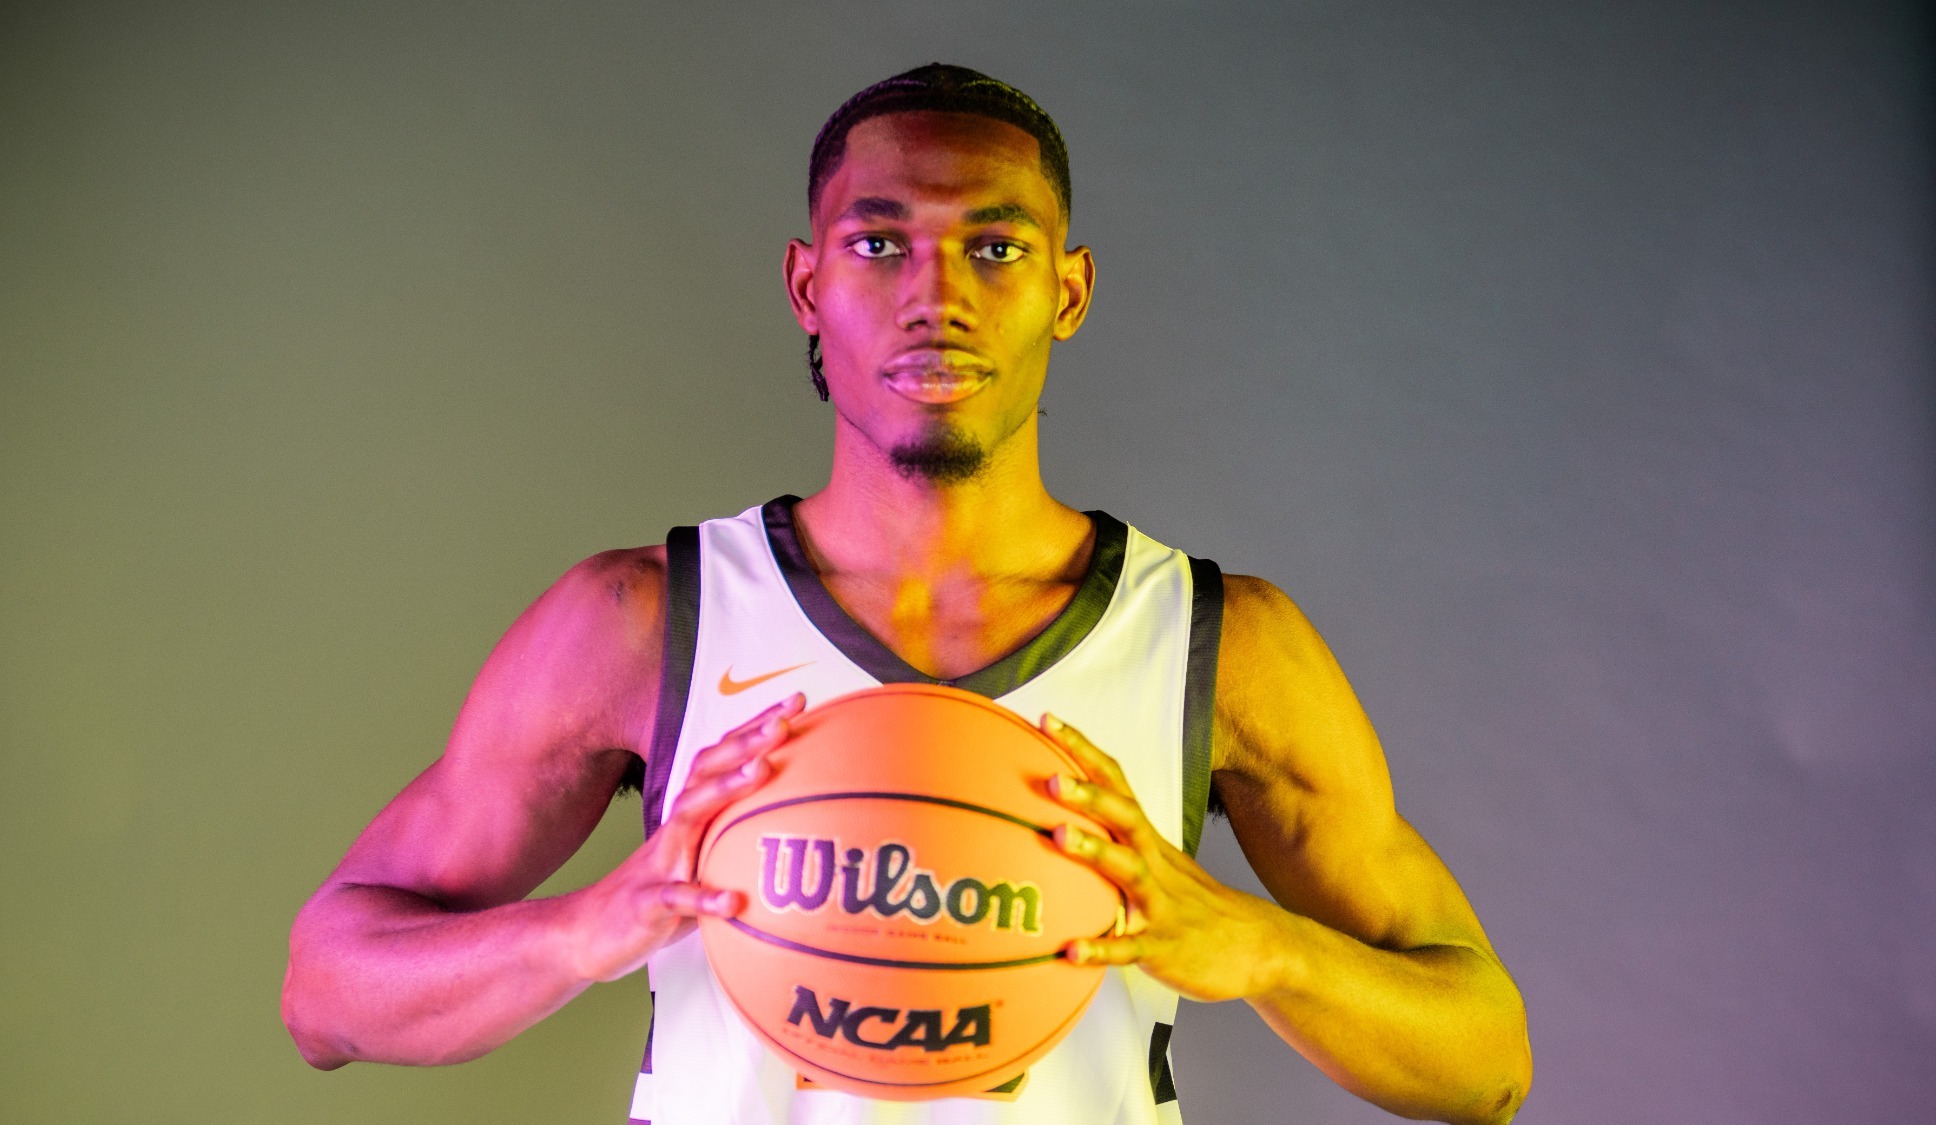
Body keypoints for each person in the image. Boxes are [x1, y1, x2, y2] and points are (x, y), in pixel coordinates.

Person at [281, 64, 1531, 1125]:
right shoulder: (649, 621)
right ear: (807, 285)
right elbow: (325, 995)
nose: (936, 293)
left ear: (1068, 290)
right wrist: (587, 928)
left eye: (995, 246)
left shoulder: (1216, 643)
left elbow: (1484, 1062)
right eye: (879, 244)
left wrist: (1259, 945)